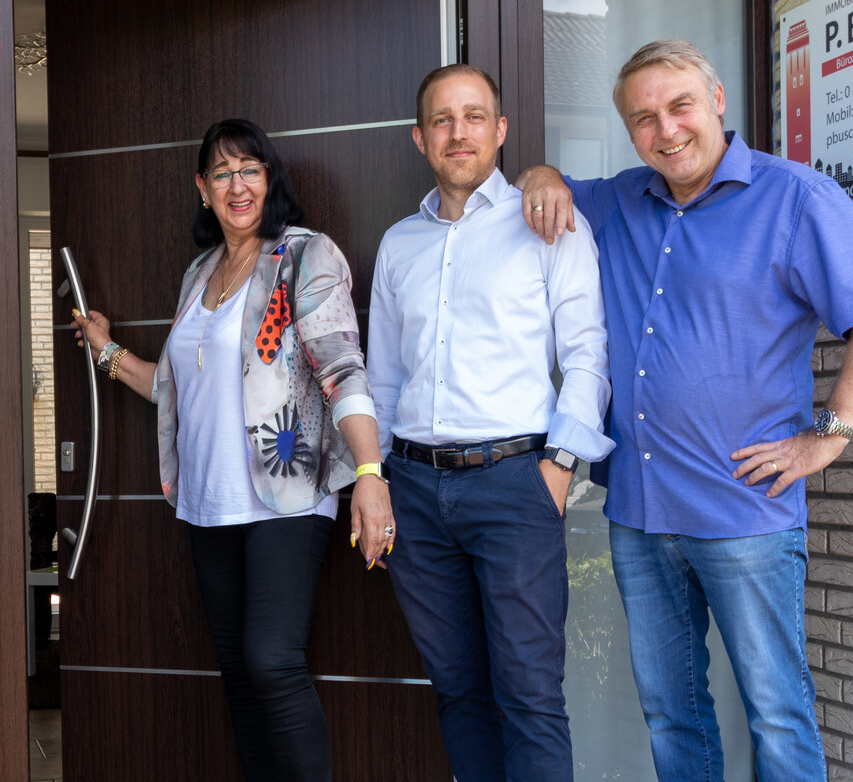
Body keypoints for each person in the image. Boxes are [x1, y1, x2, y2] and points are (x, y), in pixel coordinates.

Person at [516, 39, 853, 781]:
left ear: (717, 101)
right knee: (672, 712)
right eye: (643, 119)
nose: (666, 130)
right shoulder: (618, 200)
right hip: (640, 512)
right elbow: (544, 187)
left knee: (777, 711)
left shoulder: (795, 198)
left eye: (680, 106)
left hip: (746, 511)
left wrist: (828, 437)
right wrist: (538, 174)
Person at [72, 118, 393, 782]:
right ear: (203, 187)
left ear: (269, 179)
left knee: (272, 659)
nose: (237, 185)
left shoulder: (303, 255)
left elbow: (342, 368)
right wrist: (107, 351)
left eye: (250, 169)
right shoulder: (199, 273)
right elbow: (174, 386)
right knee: (241, 674)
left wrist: (369, 471)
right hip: (207, 502)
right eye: (222, 173)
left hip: (286, 496)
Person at [367, 64, 613, 781]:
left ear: (500, 130)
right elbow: (383, 379)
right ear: (420, 138)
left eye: (474, 116)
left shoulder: (550, 223)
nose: (459, 132)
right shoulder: (398, 244)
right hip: (415, 491)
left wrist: (558, 469)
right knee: (459, 692)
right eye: (442, 120)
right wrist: (374, 476)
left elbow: (588, 355)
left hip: (515, 485)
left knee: (530, 697)